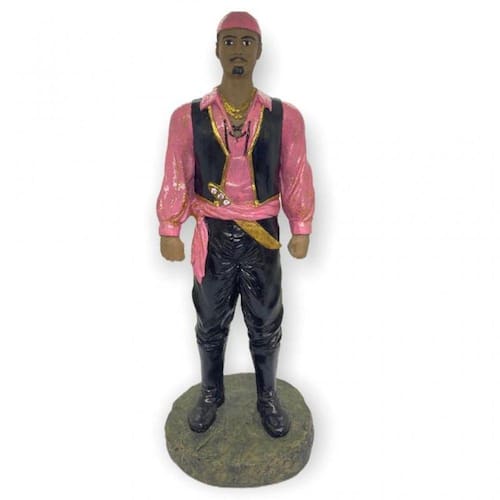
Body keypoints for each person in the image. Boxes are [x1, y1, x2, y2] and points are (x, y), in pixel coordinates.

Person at [157, 11, 315, 438]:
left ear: (259, 50)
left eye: (247, 42)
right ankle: (212, 392)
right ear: (217, 49)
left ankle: (267, 395)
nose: (238, 50)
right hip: (213, 235)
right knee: (210, 318)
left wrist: (301, 225)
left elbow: (296, 174)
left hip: (262, 236)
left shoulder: (286, 118)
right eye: (229, 41)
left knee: (266, 319)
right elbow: (176, 171)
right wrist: (170, 227)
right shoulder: (187, 117)